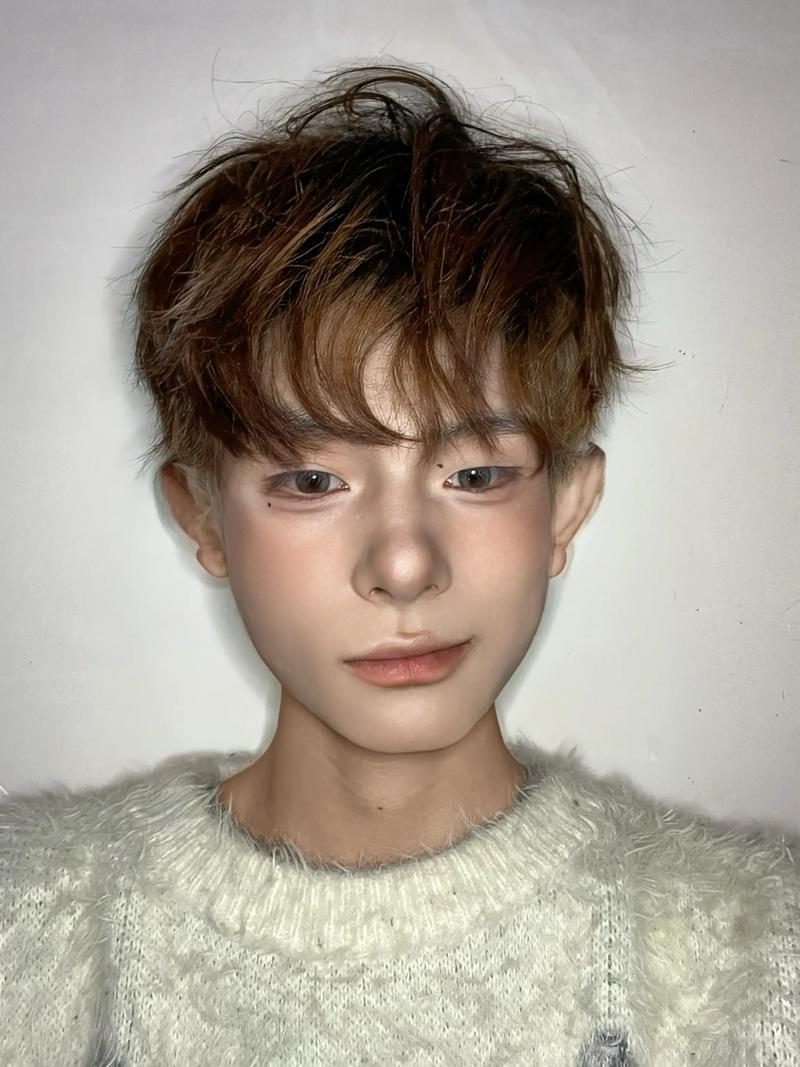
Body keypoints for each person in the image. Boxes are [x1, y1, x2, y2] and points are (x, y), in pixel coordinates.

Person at [1, 62, 797, 1067]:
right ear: (200, 515)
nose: (406, 565)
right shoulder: (25, 931)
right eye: (311, 480)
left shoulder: (758, 955)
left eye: (473, 473)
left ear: (567, 502)